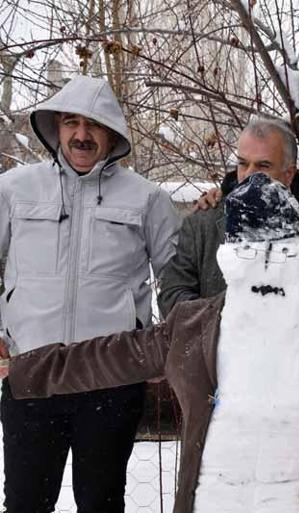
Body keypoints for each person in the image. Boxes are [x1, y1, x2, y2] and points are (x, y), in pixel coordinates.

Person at [3, 173, 299, 513]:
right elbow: (113, 356)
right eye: (251, 251)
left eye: (280, 251)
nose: (267, 266)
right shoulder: (197, 327)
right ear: (232, 256)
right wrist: (27, 369)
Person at [0, 75, 180, 512]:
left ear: (111, 134)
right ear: (56, 128)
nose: (81, 135)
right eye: (71, 123)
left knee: (101, 502)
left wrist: (163, 349)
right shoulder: (14, 189)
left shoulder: (147, 199)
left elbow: (177, 278)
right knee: (26, 502)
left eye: (93, 125)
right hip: (31, 373)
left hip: (110, 378)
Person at [159, 114, 299, 315]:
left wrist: (283, 319)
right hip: (217, 344)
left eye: (263, 166)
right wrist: (229, 319)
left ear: (289, 174)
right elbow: (172, 296)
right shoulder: (202, 223)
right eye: (243, 163)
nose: (248, 174)